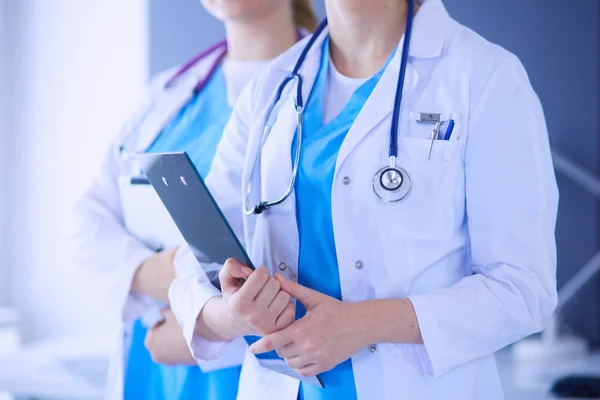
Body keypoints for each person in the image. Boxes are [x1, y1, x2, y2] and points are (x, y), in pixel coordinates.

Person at [169, 0, 559, 399]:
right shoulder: (272, 87)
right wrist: (230, 317)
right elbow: (194, 260)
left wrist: (363, 325)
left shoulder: (484, 76)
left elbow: (524, 289)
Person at [71, 1, 317, 399]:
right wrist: (159, 276)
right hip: (154, 364)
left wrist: (207, 330)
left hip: (251, 370)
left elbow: (337, 271)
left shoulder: (327, 90)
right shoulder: (167, 96)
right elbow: (87, 223)